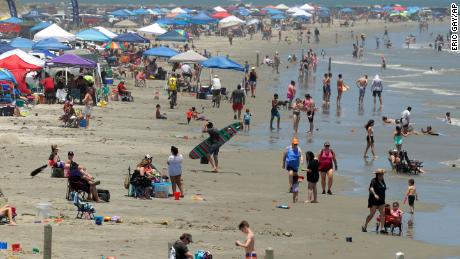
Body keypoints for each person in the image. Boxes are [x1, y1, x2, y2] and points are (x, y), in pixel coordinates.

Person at [362, 169, 387, 233]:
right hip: (374, 200)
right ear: (378, 175)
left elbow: (383, 187)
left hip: (381, 200)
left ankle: (382, 228)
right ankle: (365, 226)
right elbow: (371, 188)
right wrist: (375, 194)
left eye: (383, 174)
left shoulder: (382, 180)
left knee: (383, 213)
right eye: (381, 174)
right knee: (372, 214)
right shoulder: (373, 181)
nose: (382, 176)